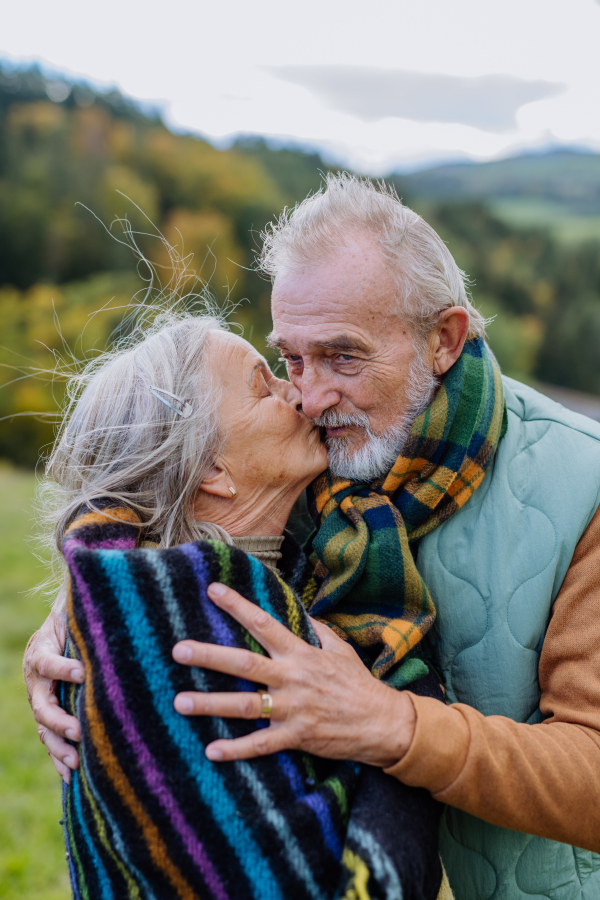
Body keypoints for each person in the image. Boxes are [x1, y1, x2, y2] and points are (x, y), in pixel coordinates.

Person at [26, 174, 600, 899]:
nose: (309, 395)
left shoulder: (584, 487)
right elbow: (177, 511)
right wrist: (82, 623)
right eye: (289, 361)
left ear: (444, 339)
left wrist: (389, 723)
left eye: (344, 357)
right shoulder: (316, 461)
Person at [29, 311, 449, 899]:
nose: (299, 394)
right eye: (265, 385)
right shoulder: (175, 632)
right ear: (212, 471)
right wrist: (389, 720)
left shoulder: (287, 575)